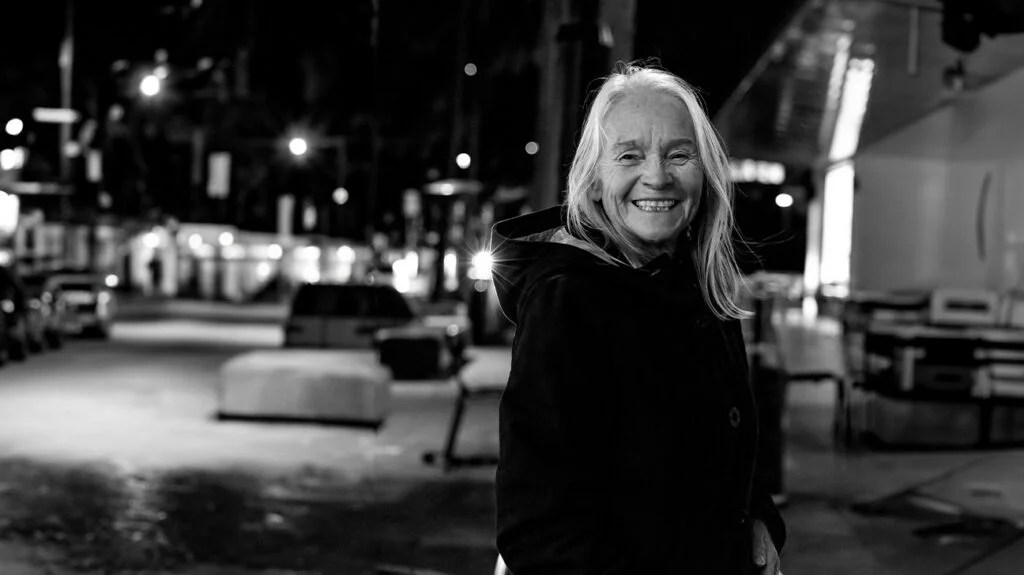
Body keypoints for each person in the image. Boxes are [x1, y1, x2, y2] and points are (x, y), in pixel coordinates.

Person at [490, 63, 786, 574]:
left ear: (706, 170)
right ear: (596, 179)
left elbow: (727, 454)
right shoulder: (569, 302)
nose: (658, 176)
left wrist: (756, 519)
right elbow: (538, 529)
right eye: (629, 154)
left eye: (678, 154)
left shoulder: (700, 289)